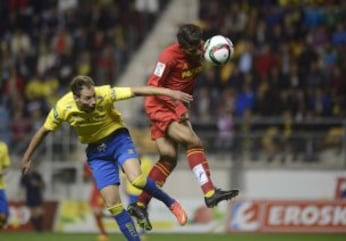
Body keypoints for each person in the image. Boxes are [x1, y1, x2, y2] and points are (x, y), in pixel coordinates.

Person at [21, 75, 193, 241]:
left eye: (94, 96)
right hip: (97, 153)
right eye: (88, 98)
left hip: (118, 140)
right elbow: (43, 131)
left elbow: (136, 91)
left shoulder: (104, 93)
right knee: (113, 205)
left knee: (137, 179)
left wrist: (170, 93)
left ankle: (171, 204)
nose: (94, 101)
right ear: (75, 97)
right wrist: (27, 156)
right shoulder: (62, 109)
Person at [127, 23, 239, 230]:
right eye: (194, 48)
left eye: (200, 45)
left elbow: (210, 55)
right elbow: (153, 87)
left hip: (178, 106)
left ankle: (140, 204)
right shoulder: (168, 57)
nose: (199, 50)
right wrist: (176, 105)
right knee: (194, 141)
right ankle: (209, 192)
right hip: (160, 106)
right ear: (183, 47)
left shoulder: (204, 49)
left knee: (169, 159)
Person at [83, 163, 109, 241]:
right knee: (96, 214)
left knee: (97, 212)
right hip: (95, 190)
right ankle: (103, 234)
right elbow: (85, 177)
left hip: (102, 190)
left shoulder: (103, 163)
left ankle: (116, 217)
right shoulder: (87, 164)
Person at [0, 141, 11, 229]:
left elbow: (6, 167)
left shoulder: (3, 146)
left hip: (0, 187)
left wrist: (1, 173)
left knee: (3, 217)